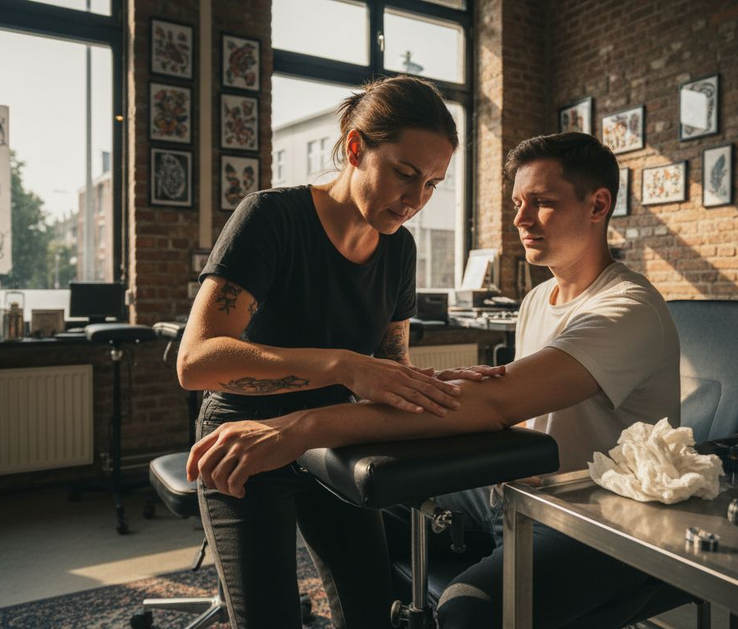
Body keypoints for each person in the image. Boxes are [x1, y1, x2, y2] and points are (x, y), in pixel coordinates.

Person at [187, 132, 682, 628]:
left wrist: (299, 428)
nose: (520, 220)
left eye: (542, 203)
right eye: (517, 203)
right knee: (383, 513)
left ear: (598, 205)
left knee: (465, 608)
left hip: (593, 513)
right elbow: (495, 399)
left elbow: (494, 405)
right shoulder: (538, 300)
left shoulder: (627, 308)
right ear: (356, 150)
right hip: (522, 489)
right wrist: (423, 381)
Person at [177, 75, 502, 629]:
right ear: (356, 147)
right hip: (244, 435)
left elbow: (389, 364)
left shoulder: (399, 249)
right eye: (405, 174)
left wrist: (428, 382)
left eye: (432, 183)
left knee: (369, 611)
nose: (416, 199)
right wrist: (342, 364)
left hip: (337, 435)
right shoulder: (271, 218)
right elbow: (197, 361)